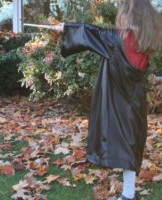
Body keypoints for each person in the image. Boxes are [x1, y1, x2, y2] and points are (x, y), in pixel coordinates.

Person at [53, 0, 162, 199]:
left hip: (120, 98)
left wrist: (66, 28)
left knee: (127, 145)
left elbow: (90, 33)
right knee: (130, 143)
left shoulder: (115, 41)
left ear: (130, 17)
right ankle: (129, 192)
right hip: (134, 101)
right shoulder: (145, 40)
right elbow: (95, 32)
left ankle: (129, 195)